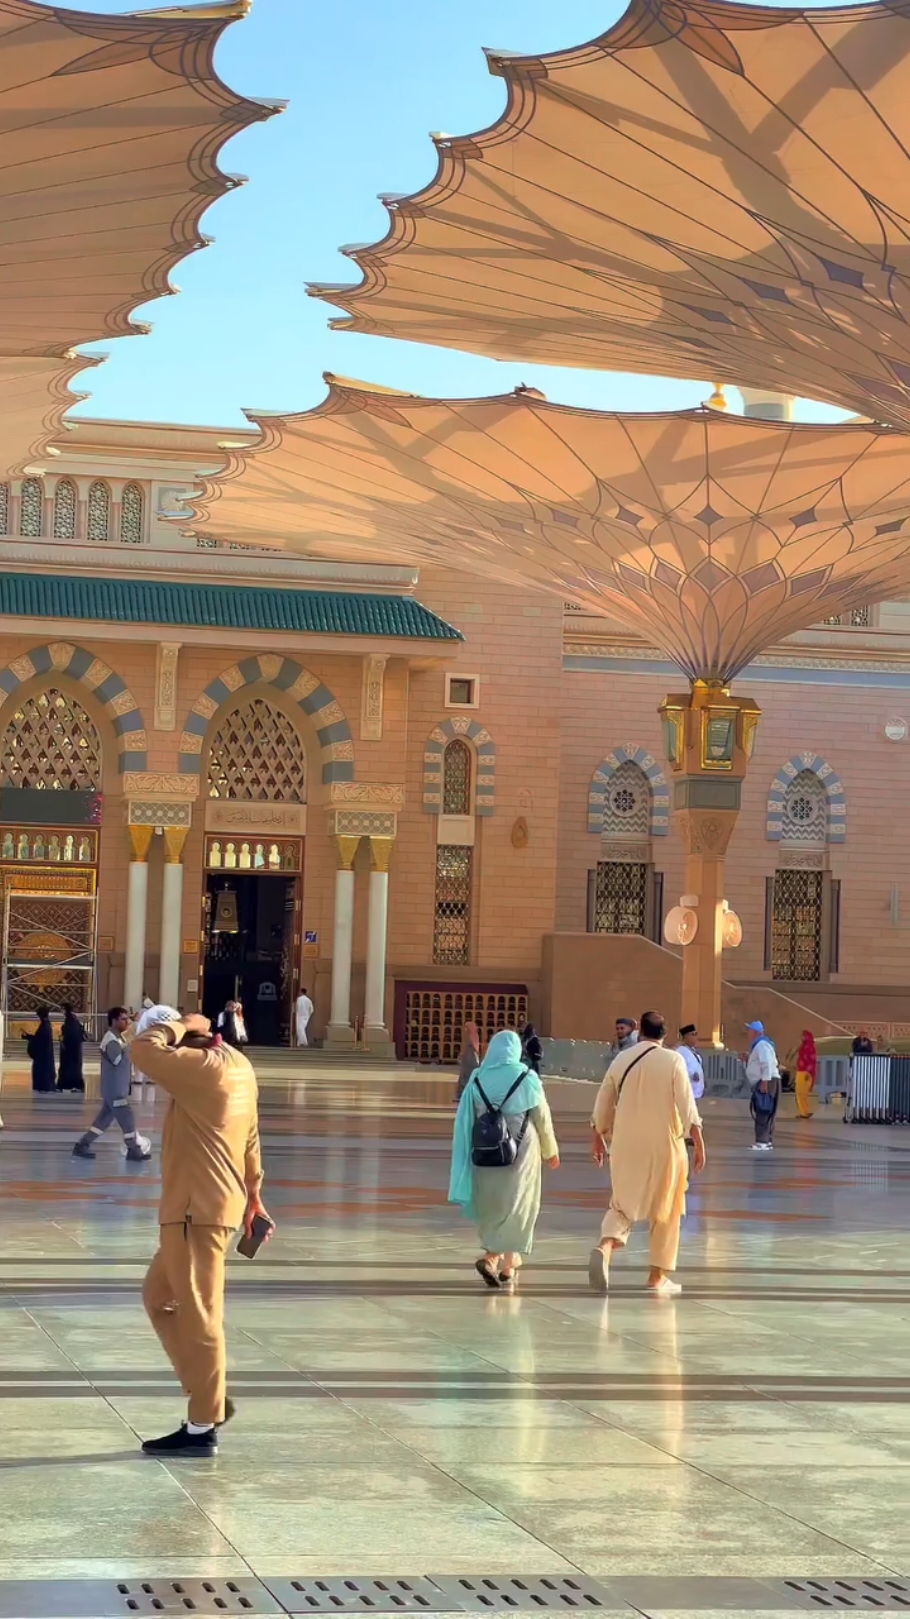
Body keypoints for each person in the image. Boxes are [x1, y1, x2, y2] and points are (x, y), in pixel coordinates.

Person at [130, 1004, 270, 1457]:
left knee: (201, 1313)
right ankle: (206, 1394)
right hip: (211, 1206)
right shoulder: (239, 1064)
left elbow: (142, 1050)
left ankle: (202, 1426)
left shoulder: (199, 1065)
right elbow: (251, 1137)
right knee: (158, 1297)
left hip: (196, 1210)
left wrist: (180, 1025)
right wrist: (255, 1195)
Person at [588, 1009, 705, 1297]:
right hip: (666, 1143)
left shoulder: (622, 1058)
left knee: (623, 1202)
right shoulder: (673, 1060)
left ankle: (606, 1246)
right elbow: (685, 1104)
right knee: (667, 1207)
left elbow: (604, 1099)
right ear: (665, 1036)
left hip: (626, 1143)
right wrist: (699, 1140)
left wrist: (598, 1134)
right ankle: (657, 1276)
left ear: (639, 1032)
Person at [449, 1028, 559, 1289]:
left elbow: (466, 1118)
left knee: (493, 1205)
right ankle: (495, 1258)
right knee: (519, 1203)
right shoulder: (527, 1076)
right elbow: (542, 1117)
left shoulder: (477, 1078)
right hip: (521, 1151)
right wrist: (550, 1150)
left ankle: (508, 1263)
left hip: (485, 1151)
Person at [73, 1007, 152, 1161]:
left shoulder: (117, 1039)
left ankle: (82, 1145)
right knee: (127, 1118)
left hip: (115, 1088)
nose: (126, 1022)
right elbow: (116, 1060)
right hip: (115, 1089)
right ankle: (133, 1149)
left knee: (103, 1121)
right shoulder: (111, 1040)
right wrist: (128, 1048)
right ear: (114, 1021)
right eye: (123, 1019)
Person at [745, 1020, 781, 1151]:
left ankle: (762, 1141)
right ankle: (767, 1139)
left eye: (749, 1030)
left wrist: (765, 1082)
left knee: (763, 1110)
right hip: (770, 1079)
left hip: (767, 1080)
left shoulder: (761, 1045)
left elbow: (766, 1063)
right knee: (767, 1109)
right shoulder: (762, 1045)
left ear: (755, 1032)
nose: (747, 1033)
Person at [57, 1003, 86, 1093]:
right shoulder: (72, 1019)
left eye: (62, 1009)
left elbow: (70, 1034)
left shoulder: (70, 1020)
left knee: (70, 1068)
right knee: (72, 1068)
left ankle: (73, 1085)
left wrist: (63, 1040)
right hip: (74, 1049)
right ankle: (69, 1085)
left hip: (71, 1049)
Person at [27, 1006, 56, 1093]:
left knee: (42, 1071)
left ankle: (43, 1086)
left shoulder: (45, 1026)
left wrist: (30, 1038)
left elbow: (39, 1039)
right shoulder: (46, 1025)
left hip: (43, 1054)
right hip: (44, 1053)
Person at [676, 1024, 705, 1101]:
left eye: (696, 1034)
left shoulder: (692, 1050)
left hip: (697, 1092)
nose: (695, 1037)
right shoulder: (680, 1051)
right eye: (693, 1034)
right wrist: (692, 1075)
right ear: (685, 1036)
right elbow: (678, 1069)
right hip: (688, 1092)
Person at [455, 1020, 481, 1102]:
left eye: (466, 1027)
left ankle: (470, 1093)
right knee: (463, 1074)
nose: (465, 1029)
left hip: (471, 1057)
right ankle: (461, 1093)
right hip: (466, 1057)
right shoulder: (466, 1035)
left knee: (470, 1074)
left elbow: (476, 1048)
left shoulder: (474, 1035)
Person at [795, 1029, 817, 1120]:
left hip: (805, 1072)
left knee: (802, 1093)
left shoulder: (810, 1047)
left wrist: (808, 1072)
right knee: (799, 1093)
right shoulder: (803, 1046)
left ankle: (804, 1112)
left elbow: (812, 1061)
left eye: (803, 1036)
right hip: (800, 1071)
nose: (802, 1037)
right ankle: (803, 1111)